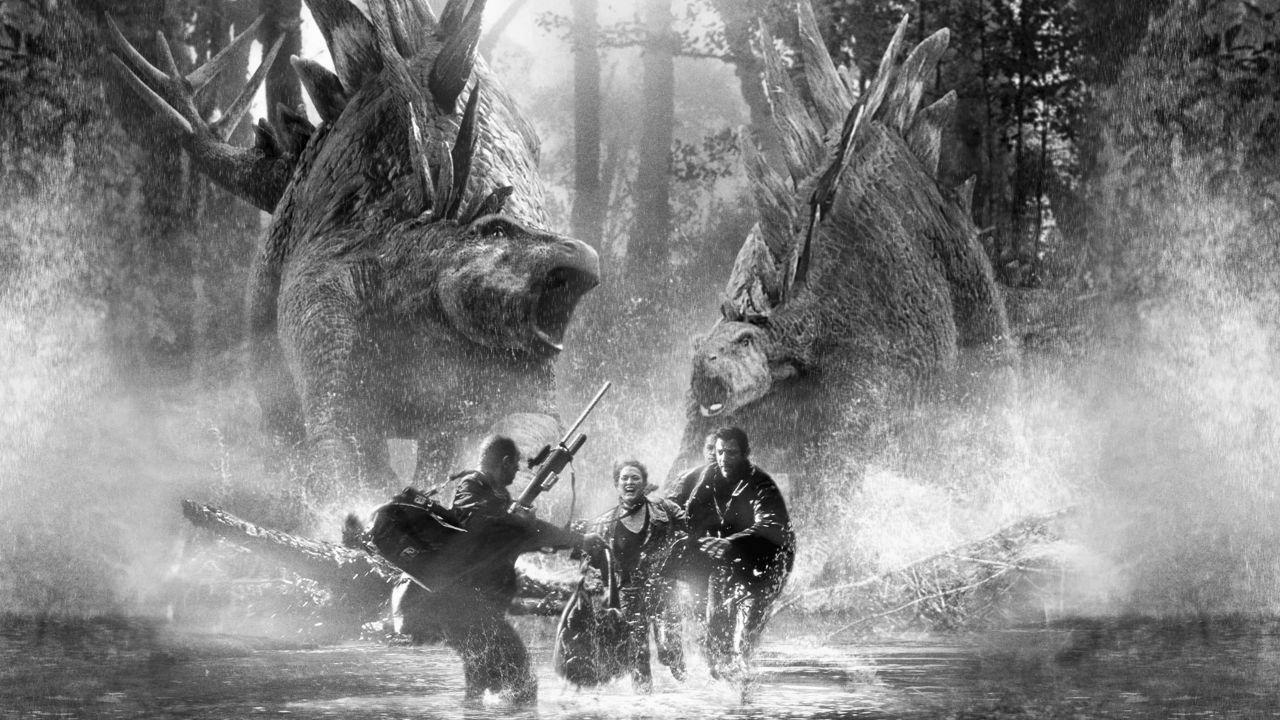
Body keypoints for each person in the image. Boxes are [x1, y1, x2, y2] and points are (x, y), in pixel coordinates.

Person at [392, 434, 600, 705]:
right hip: (463, 605)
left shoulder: (496, 496)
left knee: (482, 683)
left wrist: (558, 537)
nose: (518, 470)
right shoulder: (471, 486)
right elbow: (480, 524)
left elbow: (519, 535)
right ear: (504, 462)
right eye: (515, 464)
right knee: (522, 683)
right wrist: (521, 521)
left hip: (474, 607)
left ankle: (475, 712)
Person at [683, 426, 794, 680]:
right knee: (715, 625)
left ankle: (745, 683)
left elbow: (770, 526)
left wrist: (731, 542)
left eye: (731, 453)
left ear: (745, 454)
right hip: (728, 556)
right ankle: (719, 683)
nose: (724, 458)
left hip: (766, 561)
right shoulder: (710, 475)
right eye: (720, 452)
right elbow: (691, 515)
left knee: (745, 632)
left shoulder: (761, 483)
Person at [574, 459, 688, 690]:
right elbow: (587, 563)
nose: (629, 482)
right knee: (638, 651)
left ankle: (689, 691)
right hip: (628, 593)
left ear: (643, 484)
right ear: (617, 484)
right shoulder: (604, 523)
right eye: (624, 478)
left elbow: (690, 527)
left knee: (669, 649)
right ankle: (643, 700)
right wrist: (578, 537)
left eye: (635, 478)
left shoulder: (664, 509)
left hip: (663, 588)